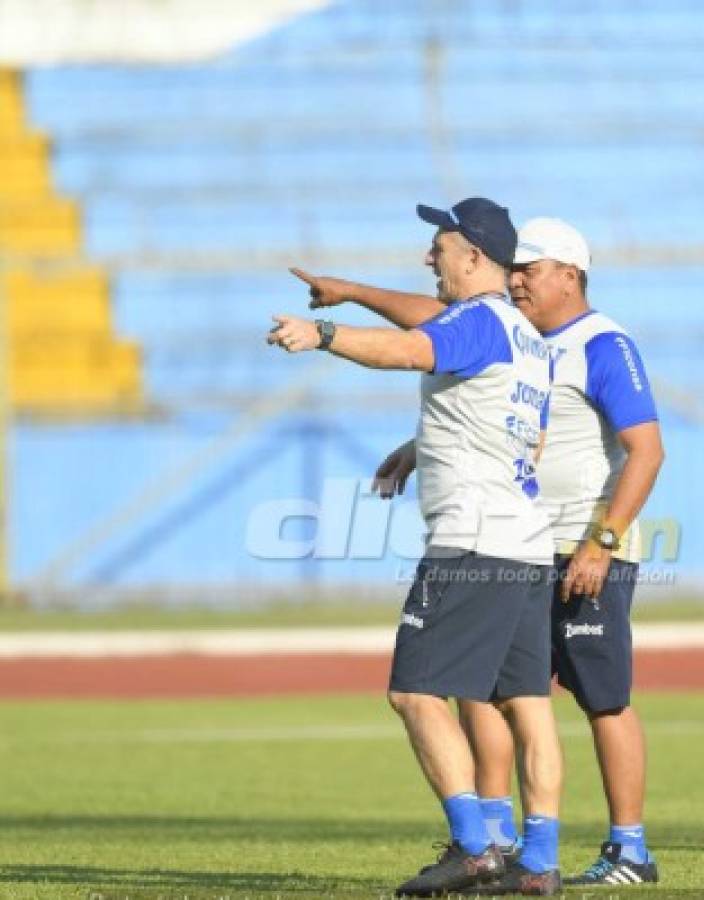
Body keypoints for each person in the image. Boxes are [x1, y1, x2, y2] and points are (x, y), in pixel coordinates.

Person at [295, 217, 667, 886]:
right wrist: (351, 291)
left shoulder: (600, 343)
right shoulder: (522, 336)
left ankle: (627, 848)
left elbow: (647, 448)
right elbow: (442, 322)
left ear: (570, 276)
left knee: (600, 695)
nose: (519, 277)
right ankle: (505, 843)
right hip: (527, 540)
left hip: (577, 543)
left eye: (532, 268)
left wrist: (602, 541)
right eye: (514, 268)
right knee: (498, 695)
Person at [269, 197, 564, 897]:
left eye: (438, 247)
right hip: (525, 542)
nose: (427, 257)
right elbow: (511, 418)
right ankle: (538, 862)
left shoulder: (474, 324)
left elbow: (412, 349)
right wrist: (420, 445)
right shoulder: (525, 337)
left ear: (472, 257)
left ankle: (473, 848)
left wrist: (325, 331)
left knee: (414, 693)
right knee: (527, 703)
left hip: (471, 542)